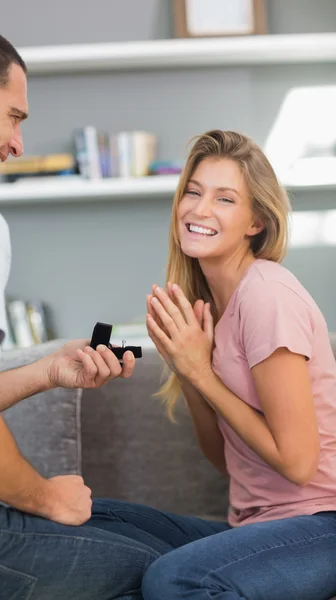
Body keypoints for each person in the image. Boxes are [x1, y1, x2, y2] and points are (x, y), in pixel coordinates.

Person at [0, 21, 163, 600]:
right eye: (14, 116)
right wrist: (46, 497)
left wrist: (47, 371)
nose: (17, 144)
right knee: (173, 575)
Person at [89, 129, 336, 599]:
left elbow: (299, 463)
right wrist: (188, 367)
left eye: (224, 199)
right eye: (194, 192)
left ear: (255, 222)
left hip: (321, 525)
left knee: (176, 579)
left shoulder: (267, 295)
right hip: (253, 526)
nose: (199, 210)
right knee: (96, 521)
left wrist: (202, 372)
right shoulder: (216, 309)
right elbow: (225, 460)